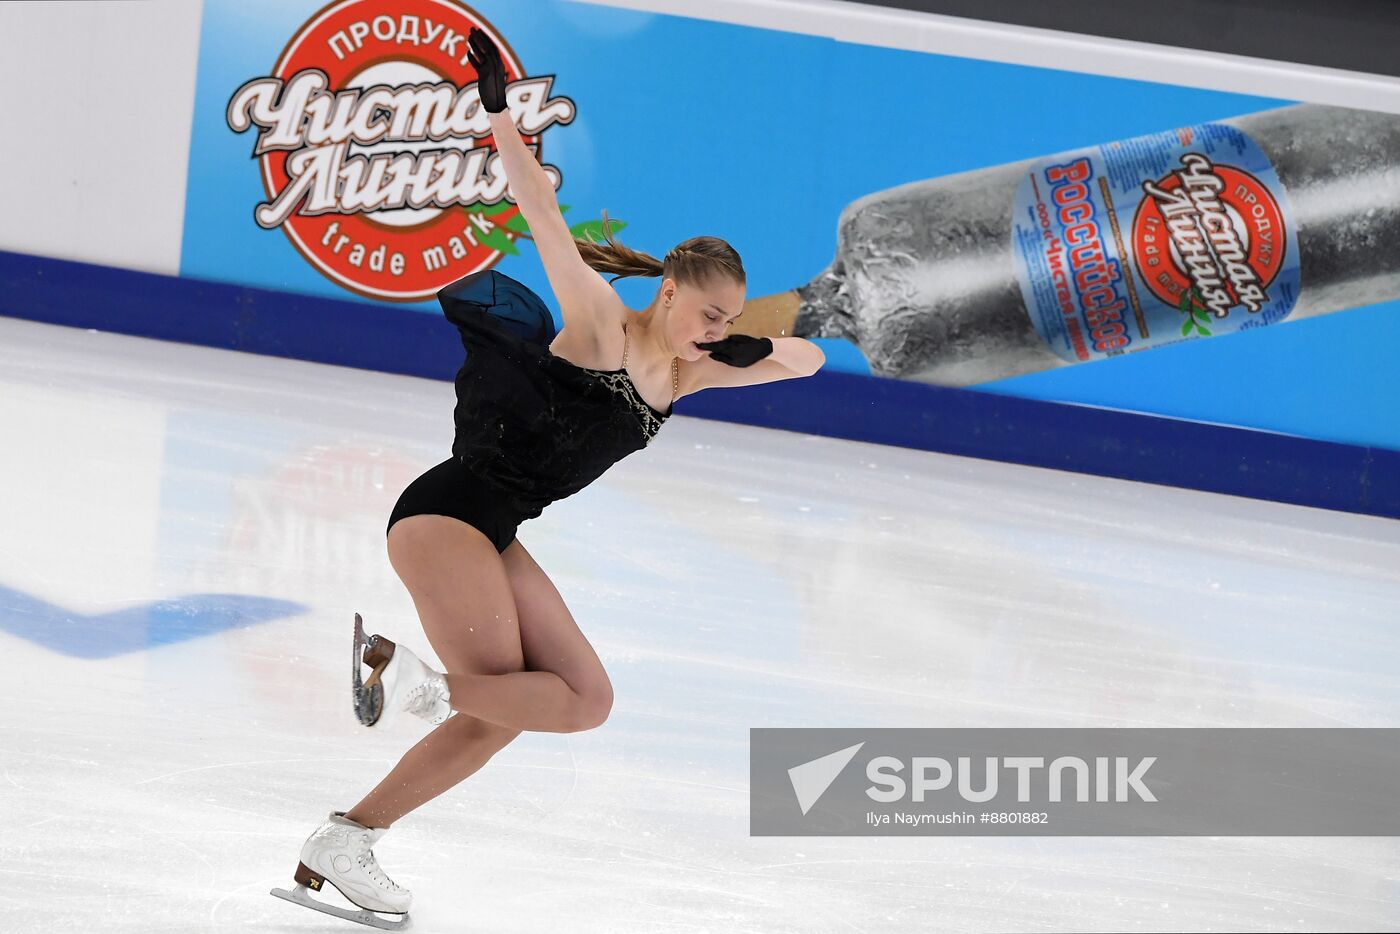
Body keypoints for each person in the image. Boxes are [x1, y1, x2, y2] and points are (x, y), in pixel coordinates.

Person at [272, 27, 825, 928]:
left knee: (581, 700)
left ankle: (354, 824)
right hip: (448, 514)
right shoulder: (606, 326)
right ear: (671, 294)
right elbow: (540, 213)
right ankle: (366, 796)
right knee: (502, 708)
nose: (716, 331)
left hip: (493, 527)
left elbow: (808, 363)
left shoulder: (687, 371)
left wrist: (752, 341)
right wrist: (497, 114)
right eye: (709, 313)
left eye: (728, 320)